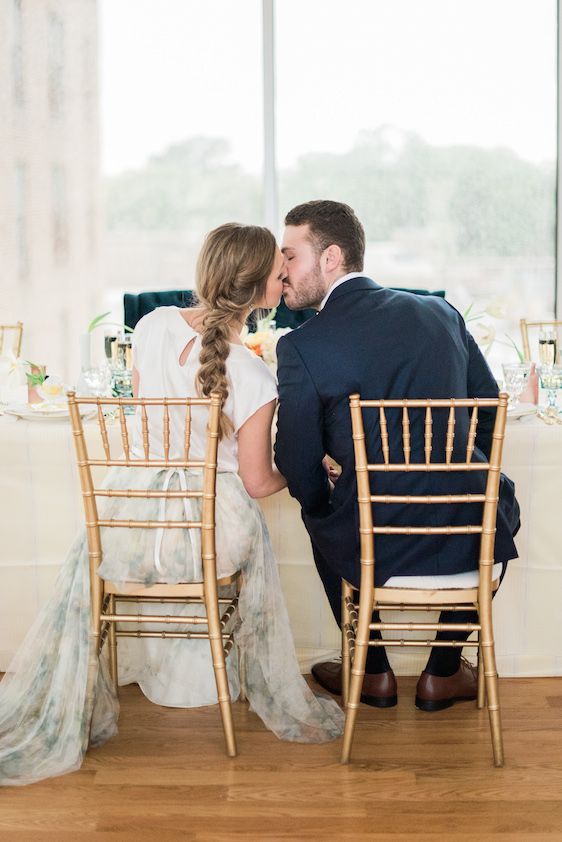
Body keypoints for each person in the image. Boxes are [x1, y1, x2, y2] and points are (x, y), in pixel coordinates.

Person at [0, 223, 343, 788]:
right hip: (211, 532)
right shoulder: (256, 373)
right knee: (253, 535)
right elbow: (257, 483)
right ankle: (231, 669)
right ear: (257, 288)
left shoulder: (152, 325)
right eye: (279, 275)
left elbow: (146, 422)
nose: (285, 281)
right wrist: (312, 470)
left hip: (132, 523)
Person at [274, 200, 520, 712]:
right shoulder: (440, 313)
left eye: (290, 257)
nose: (281, 271)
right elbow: (489, 407)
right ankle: (444, 671)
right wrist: (451, 463)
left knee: (319, 509)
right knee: (500, 502)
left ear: (331, 258)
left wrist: (325, 501)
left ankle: (374, 671)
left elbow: (297, 465)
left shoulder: (302, 345)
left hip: (371, 532)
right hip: (466, 526)